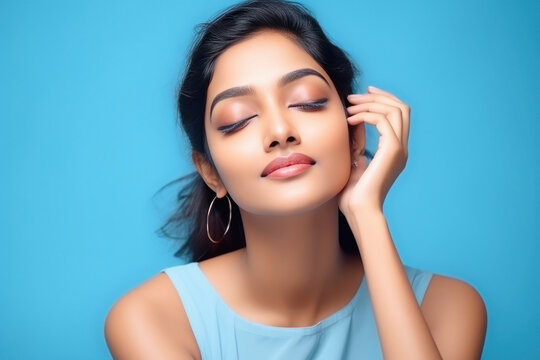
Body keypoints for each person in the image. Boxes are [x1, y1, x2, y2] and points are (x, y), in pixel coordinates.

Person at [104, 0, 487, 358]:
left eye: (307, 101)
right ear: (210, 173)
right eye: (238, 120)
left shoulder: (448, 306)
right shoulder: (151, 318)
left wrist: (367, 215)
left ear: (356, 136)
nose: (280, 130)